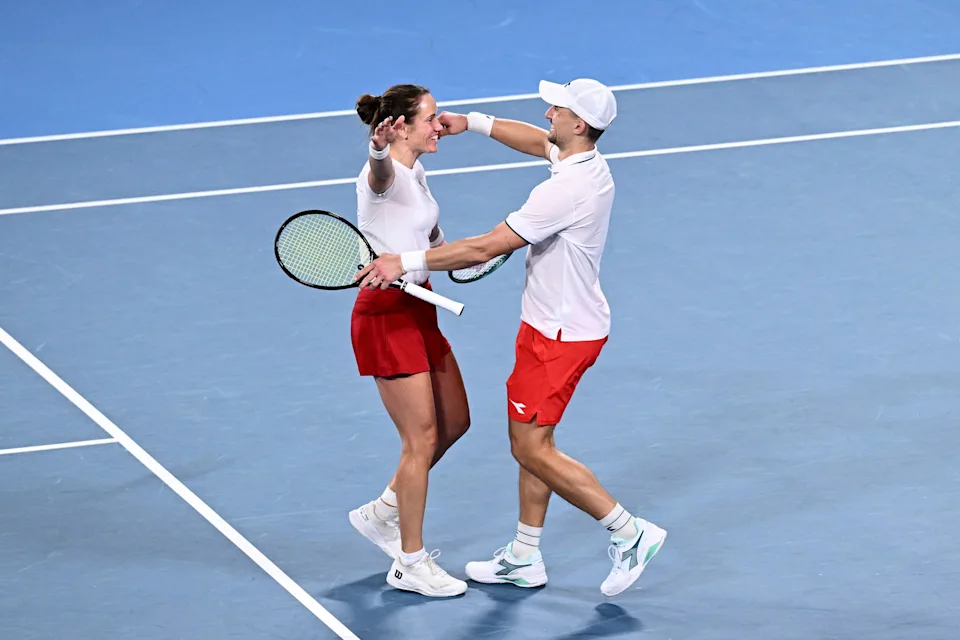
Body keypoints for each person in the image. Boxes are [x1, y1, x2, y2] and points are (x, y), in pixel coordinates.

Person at [356, 78, 667, 597]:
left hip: (558, 334)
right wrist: (474, 123)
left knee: (530, 447)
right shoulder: (584, 162)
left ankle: (629, 532)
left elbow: (486, 248)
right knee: (532, 441)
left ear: (577, 123)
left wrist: (405, 260)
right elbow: (535, 141)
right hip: (552, 325)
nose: (547, 113)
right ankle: (524, 555)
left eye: (556, 108)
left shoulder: (563, 190)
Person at [347, 83, 470, 598]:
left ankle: (381, 512)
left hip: (421, 306)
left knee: (455, 422)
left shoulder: (417, 174)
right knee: (419, 440)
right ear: (400, 128)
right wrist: (377, 150)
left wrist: (463, 255)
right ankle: (410, 562)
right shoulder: (383, 175)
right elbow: (378, 176)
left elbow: (429, 237)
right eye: (432, 118)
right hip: (386, 316)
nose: (440, 125)